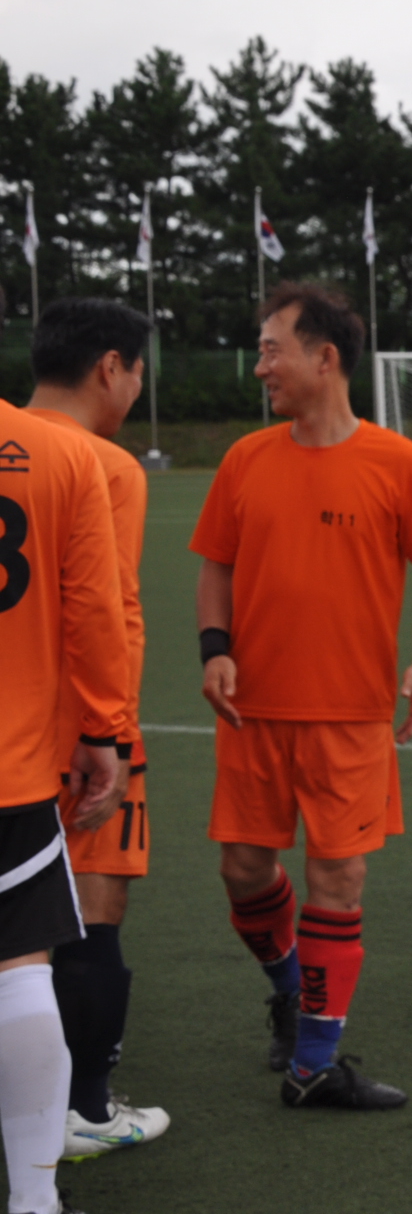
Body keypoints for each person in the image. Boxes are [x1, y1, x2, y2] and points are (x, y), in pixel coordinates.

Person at [191, 282, 412, 1111]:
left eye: (272, 350)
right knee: (244, 872)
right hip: (253, 711)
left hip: (351, 716)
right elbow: (216, 565)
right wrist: (215, 650)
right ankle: (289, 989)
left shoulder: (398, 462)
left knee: (337, 878)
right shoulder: (246, 459)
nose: (261, 367)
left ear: (325, 358)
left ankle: (313, 1064)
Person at [24, 300, 171, 1159]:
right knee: (92, 912)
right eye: (139, 373)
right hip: (77, 735)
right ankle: (83, 1108)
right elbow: (103, 610)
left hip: (10, 728)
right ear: (111, 367)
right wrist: (109, 734)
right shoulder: (103, 463)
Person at [0, 380, 130, 1214]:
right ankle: (35, 1199)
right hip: (12, 765)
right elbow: (94, 606)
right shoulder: (62, 453)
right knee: (19, 968)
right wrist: (103, 729)